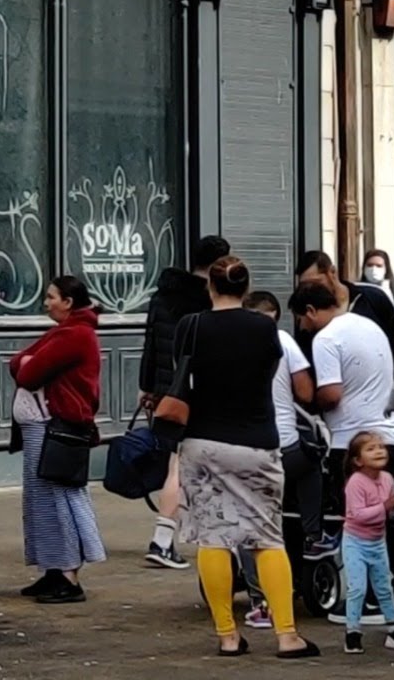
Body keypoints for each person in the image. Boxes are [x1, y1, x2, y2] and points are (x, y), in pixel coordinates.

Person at [177, 256, 318, 659]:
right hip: (256, 440)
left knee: (213, 536)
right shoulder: (263, 327)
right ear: (245, 287)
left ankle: (227, 635)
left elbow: (180, 376)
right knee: (267, 537)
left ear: (211, 287)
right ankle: (287, 635)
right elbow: (269, 370)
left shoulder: (192, 325)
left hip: (202, 440)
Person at [288, 281, 394, 626]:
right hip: (390, 435)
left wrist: (305, 400)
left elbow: (332, 394)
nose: (302, 327)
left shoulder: (326, 339)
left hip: (352, 441)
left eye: (301, 318)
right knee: (390, 519)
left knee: (361, 524)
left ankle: (370, 600)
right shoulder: (368, 326)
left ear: (311, 311)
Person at [9, 276, 106, 603]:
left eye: (51, 297)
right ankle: (53, 569)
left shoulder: (75, 335)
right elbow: (19, 361)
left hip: (58, 427)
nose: (46, 302)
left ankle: (68, 575)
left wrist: (27, 363)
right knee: (42, 499)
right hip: (46, 427)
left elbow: (27, 371)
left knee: (59, 496)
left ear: (68, 301)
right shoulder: (65, 332)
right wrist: (26, 362)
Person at [138, 235, 230, 570]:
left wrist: (147, 386)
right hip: (203, 392)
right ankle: (165, 540)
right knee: (188, 466)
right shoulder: (213, 300)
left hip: (168, 392)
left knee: (179, 462)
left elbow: (151, 340)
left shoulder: (163, 294)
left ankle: (172, 537)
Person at [236, 291, 321, 629]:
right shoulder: (283, 339)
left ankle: (259, 601)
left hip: (243, 448)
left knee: (247, 526)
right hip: (284, 445)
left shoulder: (228, 344)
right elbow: (305, 393)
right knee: (311, 464)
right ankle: (315, 536)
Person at [341, 432, 394, 654]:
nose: (379, 451)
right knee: (357, 588)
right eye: (371, 448)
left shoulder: (386, 478)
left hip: (377, 541)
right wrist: (386, 506)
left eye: (381, 447)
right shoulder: (355, 482)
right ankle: (352, 632)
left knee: (384, 586)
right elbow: (356, 515)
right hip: (355, 542)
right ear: (358, 460)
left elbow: (391, 509)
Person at [295, 250, 394, 371]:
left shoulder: (373, 298)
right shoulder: (308, 314)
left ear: (332, 273)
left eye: (316, 282)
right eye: (304, 285)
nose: (310, 289)